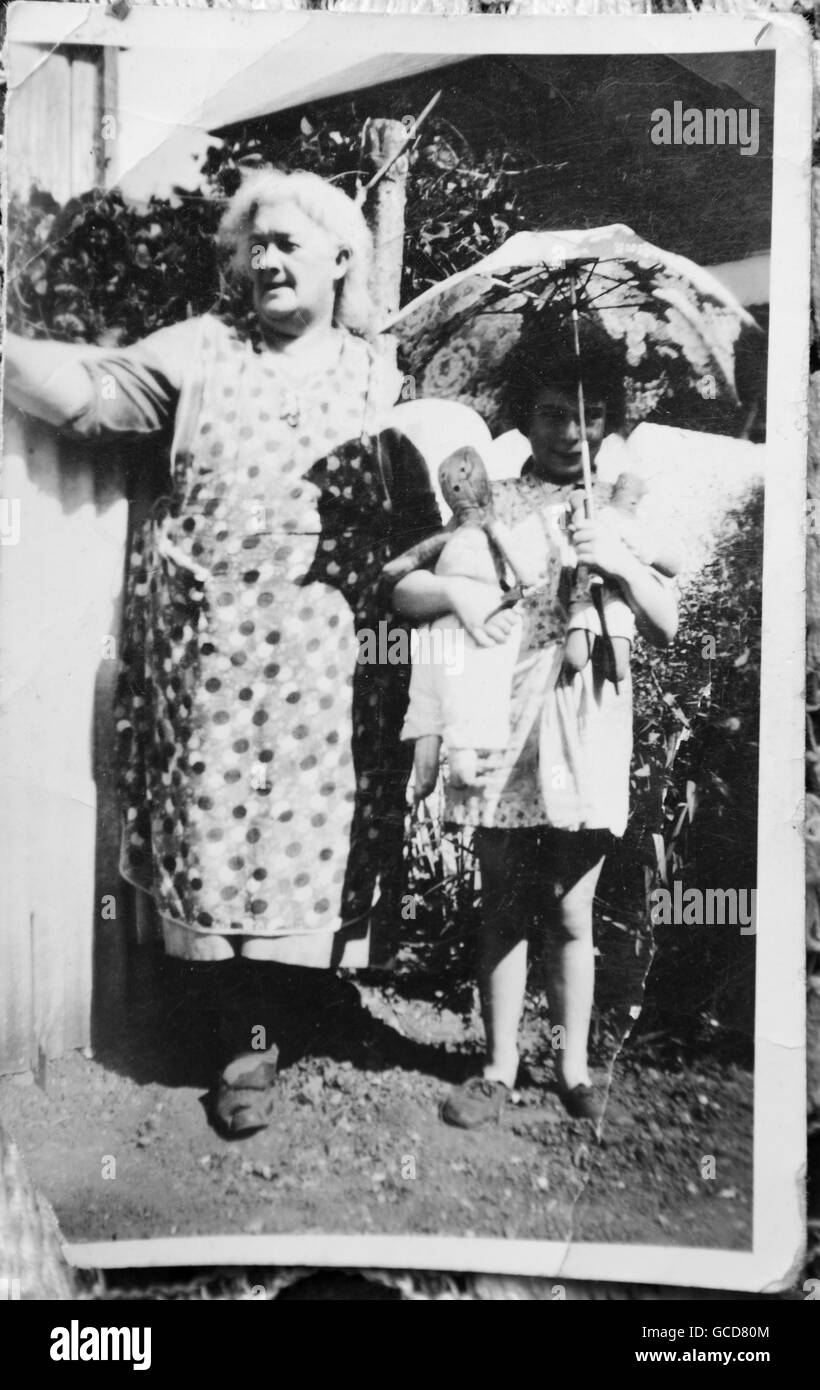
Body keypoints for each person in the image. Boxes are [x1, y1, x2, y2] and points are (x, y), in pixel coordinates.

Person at [5, 168, 442, 1137]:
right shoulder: (201, 351)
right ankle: (230, 1028)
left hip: (334, 675)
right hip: (211, 668)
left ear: (342, 259)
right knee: (213, 851)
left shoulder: (384, 377)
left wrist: (434, 695)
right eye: (256, 244)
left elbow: (431, 536)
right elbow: (88, 394)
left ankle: (259, 1040)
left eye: (291, 242)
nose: (269, 258)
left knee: (308, 861)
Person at [390, 323, 678, 1127]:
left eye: (588, 415)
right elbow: (415, 594)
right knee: (505, 903)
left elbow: (667, 621)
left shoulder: (617, 511)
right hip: (503, 718)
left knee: (569, 908)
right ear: (526, 417)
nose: (570, 431)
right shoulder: (496, 509)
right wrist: (476, 593)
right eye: (552, 413)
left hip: (583, 721)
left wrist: (613, 556)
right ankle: (498, 1065)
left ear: (610, 423)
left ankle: (577, 1066)